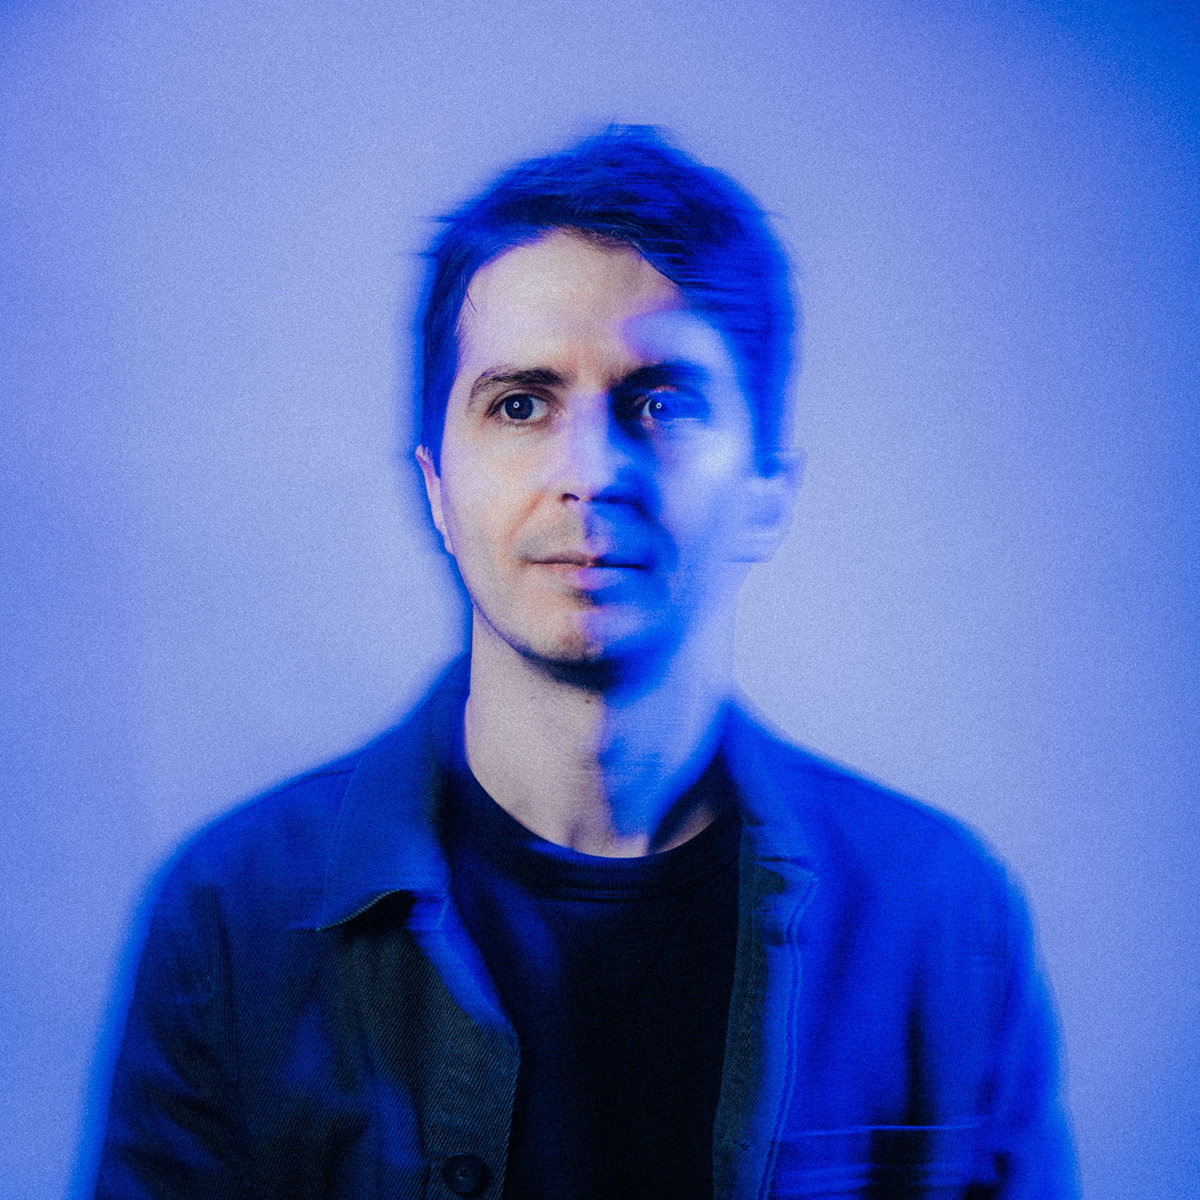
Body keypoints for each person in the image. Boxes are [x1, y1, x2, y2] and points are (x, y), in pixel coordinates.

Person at [92, 127, 1077, 1199]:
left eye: (661, 401)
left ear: (768, 491)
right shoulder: (233, 919)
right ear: (436, 488)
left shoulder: (942, 920)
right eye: (520, 403)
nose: (589, 471)